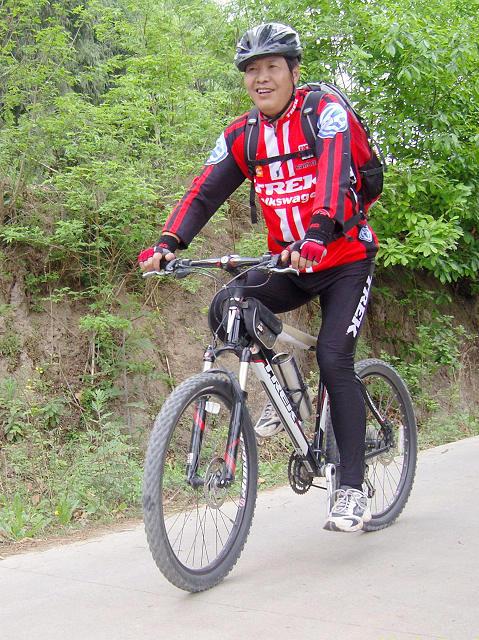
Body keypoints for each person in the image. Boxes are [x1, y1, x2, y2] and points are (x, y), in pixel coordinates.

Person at [138, 22, 379, 532]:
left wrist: (318, 232)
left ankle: (352, 488)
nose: (261, 78)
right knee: (225, 305)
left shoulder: (323, 112)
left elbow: (334, 176)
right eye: (252, 70)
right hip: (286, 264)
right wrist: (168, 242)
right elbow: (205, 191)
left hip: (343, 260)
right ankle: (287, 390)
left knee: (335, 358)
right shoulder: (242, 135)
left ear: (293, 71)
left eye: (272, 67)